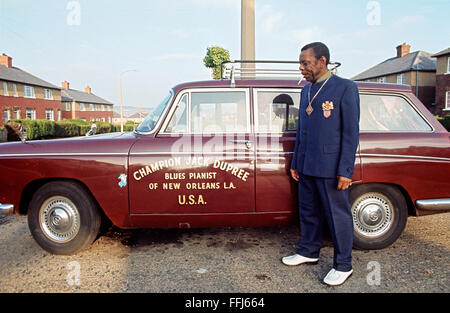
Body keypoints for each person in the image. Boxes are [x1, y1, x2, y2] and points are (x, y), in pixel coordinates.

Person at [282, 42, 360, 286]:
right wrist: (296, 161)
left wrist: (345, 170)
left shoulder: (345, 88)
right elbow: (302, 131)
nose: (302, 68)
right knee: (308, 211)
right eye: (301, 63)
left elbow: (350, 133)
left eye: (306, 63)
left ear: (322, 61)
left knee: (337, 217)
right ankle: (308, 251)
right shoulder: (306, 90)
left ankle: (343, 265)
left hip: (330, 166)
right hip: (306, 165)